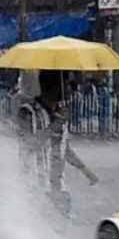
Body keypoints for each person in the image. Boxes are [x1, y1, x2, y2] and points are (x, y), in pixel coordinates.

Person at [15, 70, 99, 217]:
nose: (71, 89)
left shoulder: (58, 112)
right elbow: (30, 145)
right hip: (36, 184)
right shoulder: (27, 112)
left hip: (57, 185)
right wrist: (56, 124)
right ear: (55, 88)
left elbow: (63, 148)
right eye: (67, 85)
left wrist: (85, 171)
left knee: (63, 219)